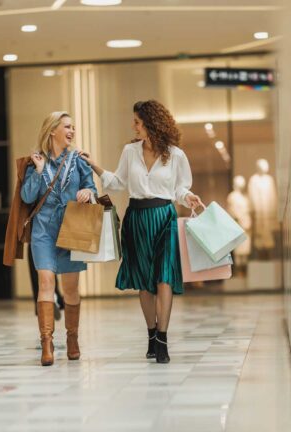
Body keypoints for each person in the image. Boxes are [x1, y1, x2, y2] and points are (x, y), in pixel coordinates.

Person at [80, 100, 203, 364]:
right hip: (136, 219)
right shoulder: (130, 151)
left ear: (151, 123)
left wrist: (189, 197)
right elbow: (117, 183)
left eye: (137, 121)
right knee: (145, 282)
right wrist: (94, 166)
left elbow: (180, 189)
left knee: (164, 277)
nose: (134, 126)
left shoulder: (176, 155)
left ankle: (162, 339)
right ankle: (150, 334)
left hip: (164, 219)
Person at [21, 111, 97, 366]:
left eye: (73, 127)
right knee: (45, 282)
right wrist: (41, 171)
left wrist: (87, 190)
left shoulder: (79, 161)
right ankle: (47, 342)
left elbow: (92, 188)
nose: (72, 131)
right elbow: (28, 196)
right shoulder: (37, 161)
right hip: (43, 232)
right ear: (52, 130)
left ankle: (72, 339)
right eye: (67, 126)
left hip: (72, 229)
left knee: (71, 288)